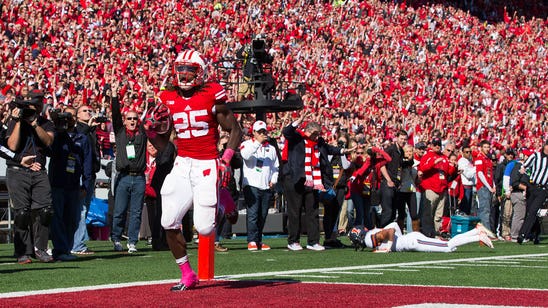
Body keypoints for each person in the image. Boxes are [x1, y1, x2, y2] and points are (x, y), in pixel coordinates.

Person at [145, 50, 242, 291]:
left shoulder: (212, 94)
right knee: (168, 221)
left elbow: (236, 130)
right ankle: (187, 274)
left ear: (200, 72)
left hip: (206, 163)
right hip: (182, 162)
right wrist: (149, 132)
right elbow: (164, 143)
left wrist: (226, 159)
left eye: (190, 70)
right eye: (181, 69)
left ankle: (224, 200)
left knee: (206, 228)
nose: (185, 74)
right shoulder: (167, 97)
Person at [281, 111, 353, 251]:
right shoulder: (297, 138)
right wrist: (299, 120)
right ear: (307, 131)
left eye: (318, 134)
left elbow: (329, 149)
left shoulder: (318, 143)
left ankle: (313, 241)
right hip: (295, 178)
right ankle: (293, 241)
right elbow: (287, 132)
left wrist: (343, 151)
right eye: (314, 133)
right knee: (295, 211)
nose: (316, 136)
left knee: (312, 210)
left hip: (312, 180)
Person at [5, 91, 55, 264]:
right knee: (22, 213)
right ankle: (22, 251)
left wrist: (34, 123)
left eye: (40, 103)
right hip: (17, 170)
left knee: (45, 211)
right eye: (34, 104)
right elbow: (11, 146)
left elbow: (48, 142)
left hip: (39, 171)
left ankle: (40, 249)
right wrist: (19, 121)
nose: (37, 106)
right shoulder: (14, 121)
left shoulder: (46, 123)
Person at [48, 107, 93, 261]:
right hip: (57, 183)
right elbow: (50, 150)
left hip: (74, 184)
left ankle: (66, 248)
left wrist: (86, 185)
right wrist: (58, 129)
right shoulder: (57, 135)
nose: (70, 119)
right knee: (57, 217)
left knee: (72, 219)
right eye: (67, 116)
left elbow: (88, 163)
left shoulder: (83, 138)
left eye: (72, 116)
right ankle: (60, 250)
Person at [110, 80, 148, 254]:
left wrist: (148, 97)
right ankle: (116, 238)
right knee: (119, 211)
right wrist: (114, 96)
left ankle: (132, 241)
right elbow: (115, 115)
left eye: (135, 119)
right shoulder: (120, 132)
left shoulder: (142, 135)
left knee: (136, 212)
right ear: (125, 121)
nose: (132, 121)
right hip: (124, 177)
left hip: (139, 177)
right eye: (129, 119)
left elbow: (149, 118)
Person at [240, 120, 279, 251]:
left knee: (263, 214)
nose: (263, 134)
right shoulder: (246, 144)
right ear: (254, 133)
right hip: (251, 184)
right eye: (260, 132)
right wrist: (258, 143)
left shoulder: (271, 148)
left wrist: (273, 179)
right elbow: (245, 156)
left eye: (264, 131)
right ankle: (251, 240)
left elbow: (275, 167)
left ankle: (258, 240)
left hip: (266, 185)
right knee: (253, 214)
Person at [348, 221, 494, 253]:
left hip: (413, 242)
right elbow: (394, 225)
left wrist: (388, 247)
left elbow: (391, 230)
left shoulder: (368, 240)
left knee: (448, 247)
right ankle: (476, 231)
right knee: (448, 246)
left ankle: (477, 236)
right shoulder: (371, 234)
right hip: (412, 239)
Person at [71, 104, 101, 255]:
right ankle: (78, 245)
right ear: (77, 116)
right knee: (81, 210)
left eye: (90, 110)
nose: (88, 112)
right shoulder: (79, 129)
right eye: (85, 111)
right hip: (82, 176)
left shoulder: (91, 130)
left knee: (84, 209)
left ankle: (77, 243)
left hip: (91, 175)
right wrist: (88, 128)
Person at [418, 137, 457, 237]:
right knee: (428, 213)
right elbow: (422, 168)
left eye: (439, 144)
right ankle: (427, 233)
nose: (437, 146)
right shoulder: (428, 156)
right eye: (435, 144)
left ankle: (436, 233)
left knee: (438, 215)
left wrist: (454, 168)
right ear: (431, 145)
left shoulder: (444, 157)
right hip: (431, 188)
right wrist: (433, 163)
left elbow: (448, 172)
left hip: (442, 189)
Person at [517, 141, 548, 244]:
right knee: (530, 211)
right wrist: (522, 170)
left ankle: (522, 235)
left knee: (533, 211)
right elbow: (524, 166)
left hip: (543, 189)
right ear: (544, 146)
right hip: (532, 187)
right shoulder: (536, 156)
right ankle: (536, 234)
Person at [379, 130, 408, 227]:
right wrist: (388, 180)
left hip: (396, 184)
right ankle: (381, 234)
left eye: (405, 139)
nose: (403, 141)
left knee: (392, 213)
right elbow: (381, 165)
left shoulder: (402, 151)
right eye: (401, 139)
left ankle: (389, 236)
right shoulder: (390, 149)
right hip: (388, 184)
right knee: (387, 211)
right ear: (397, 138)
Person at [474, 140, 496, 234]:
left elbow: (490, 175)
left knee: (488, 210)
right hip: (483, 187)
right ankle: (486, 232)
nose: (487, 149)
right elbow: (480, 173)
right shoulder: (479, 158)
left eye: (488, 147)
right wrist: (488, 186)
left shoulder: (488, 159)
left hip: (489, 186)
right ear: (481, 148)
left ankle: (487, 231)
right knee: (485, 210)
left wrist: (493, 185)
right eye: (485, 147)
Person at [457, 142, 476, 215]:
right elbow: (468, 175)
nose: (469, 153)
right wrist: (476, 167)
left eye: (470, 152)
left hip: (470, 187)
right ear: (463, 152)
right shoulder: (462, 161)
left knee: (469, 210)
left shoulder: (469, 161)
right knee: (464, 209)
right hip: (465, 187)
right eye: (466, 152)